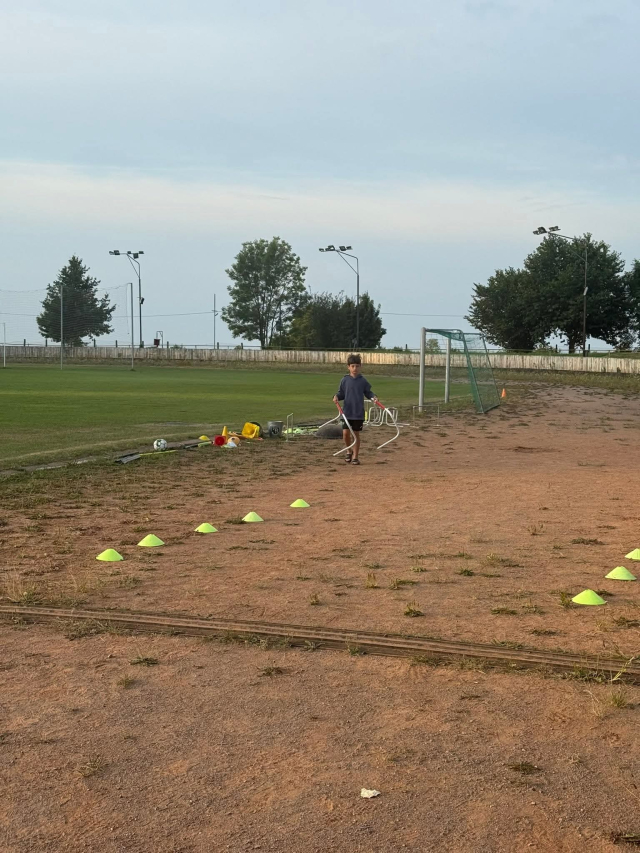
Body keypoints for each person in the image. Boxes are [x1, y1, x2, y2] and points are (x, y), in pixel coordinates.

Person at [333, 354, 378, 465]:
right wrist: (336, 397)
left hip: (358, 413)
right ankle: (349, 451)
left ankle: (355, 456)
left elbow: (368, 392)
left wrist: (373, 397)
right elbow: (341, 393)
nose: (355, 368)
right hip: (346, 412)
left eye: (357, 366)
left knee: (355, 434)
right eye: (352, 366)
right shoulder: (344, 380)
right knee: (345, 433)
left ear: (360, 366)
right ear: (348, 367)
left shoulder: (363, 381)